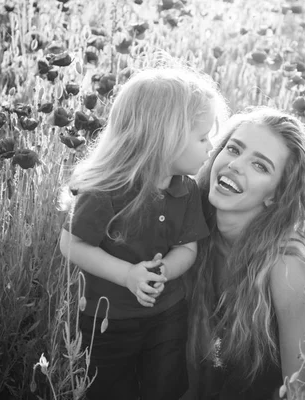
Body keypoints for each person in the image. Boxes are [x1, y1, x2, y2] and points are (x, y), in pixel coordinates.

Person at [58, 67, 228, 400]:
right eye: (202, 137)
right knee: (107, 389)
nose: (210, 147)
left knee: (164, 387)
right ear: (165, 137)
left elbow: (187, 249)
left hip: (166, 313)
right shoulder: (107, 189)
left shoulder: (186, 191)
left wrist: (162, 271)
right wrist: (127, 275)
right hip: (107, 319)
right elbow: (72, 243)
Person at [186, 107, 305, 400]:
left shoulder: (285, 262)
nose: (236, 165)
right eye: (234, 148)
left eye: (260, 166)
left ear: (277, 194)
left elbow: (300, 386)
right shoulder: (188, 223)